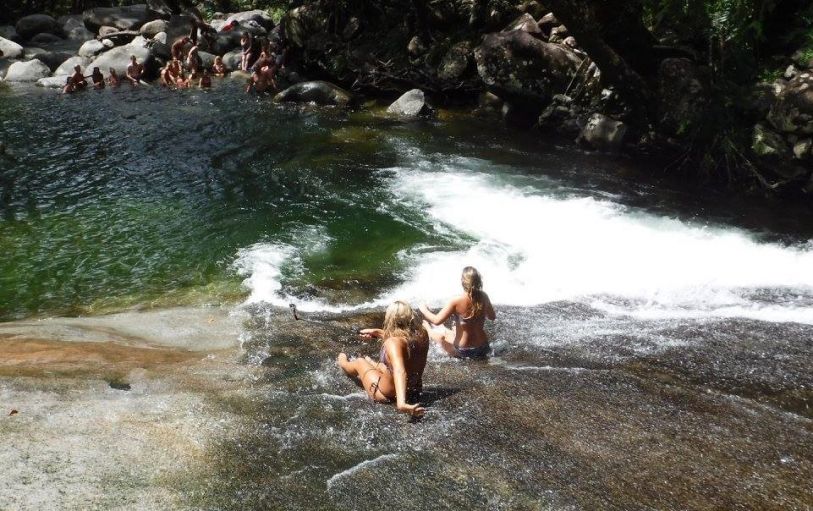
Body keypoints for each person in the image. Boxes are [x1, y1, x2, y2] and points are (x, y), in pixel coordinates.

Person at [337, 301, 428, 418]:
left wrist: (401, 404)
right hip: (413, 390)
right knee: (382, 366)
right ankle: (373, 364)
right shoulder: (422, 334)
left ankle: (342, 361)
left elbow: (399, 370)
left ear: (389, 319)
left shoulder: (393, 342)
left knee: (360, 362)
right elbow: (404, 342)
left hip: (386, 394)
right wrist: (378, 333)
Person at [419, 266, 496, 359]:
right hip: (483, 347)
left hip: (465, 351)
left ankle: (427, 328)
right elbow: (492, 316)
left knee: (439, 337)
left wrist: (423, 309)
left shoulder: (456, 300)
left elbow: (436, 320)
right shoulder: (484, 296)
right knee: (452, 330)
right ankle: (443, 328)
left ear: (463, 282)